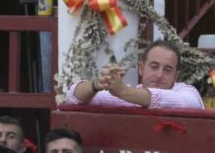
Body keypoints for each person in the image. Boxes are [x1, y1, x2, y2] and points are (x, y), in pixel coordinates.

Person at [66, 40, 203, 110]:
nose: (160, 74)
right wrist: (98, 84)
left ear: (176, 75)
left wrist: (123, 91)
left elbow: (190, 103)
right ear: (141, 68)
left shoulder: (187, 92)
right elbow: (72, 96)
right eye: (154, 67)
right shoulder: (121, 94)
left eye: (167, 69)